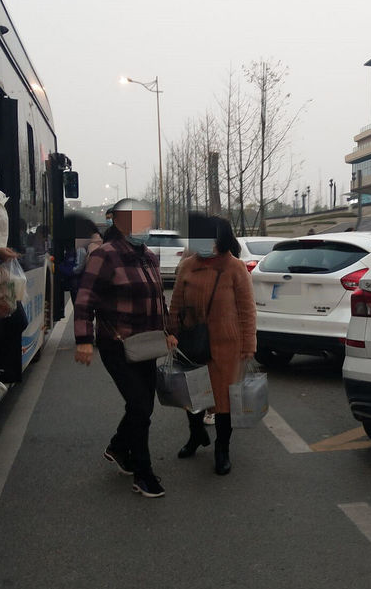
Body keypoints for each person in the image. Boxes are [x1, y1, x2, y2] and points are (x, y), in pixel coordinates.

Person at [73, 216, 178, 498]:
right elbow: (85, 299)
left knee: (143, 405)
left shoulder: (150, 257)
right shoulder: (104, 256)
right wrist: (83, 340)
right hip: (117, 344)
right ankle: (143, 474)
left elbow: (159, 299)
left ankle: (119, 447)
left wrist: (169, 330)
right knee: (140, 406)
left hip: (147, 343)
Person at [168, 213, 256, 475]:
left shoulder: (235, 268)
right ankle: (196, 435)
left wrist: (248, 345)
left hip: (226, 344)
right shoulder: (188, 265)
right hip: (191, 341)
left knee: (223, 401)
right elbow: (176, 303)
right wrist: (171, 332)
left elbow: (247, 310)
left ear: (222, 239)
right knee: (192, 395)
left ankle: (222, 448)